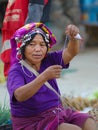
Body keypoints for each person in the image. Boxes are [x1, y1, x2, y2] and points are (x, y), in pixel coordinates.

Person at [7, 22, 96, 130]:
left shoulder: (48, 59)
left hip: (57, 113)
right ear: (23, 47)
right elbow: (19, 95)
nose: (38, 49)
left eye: (42, 45)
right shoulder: (16, 71)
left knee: (89, 122)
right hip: (32, 121)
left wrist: (74, 38)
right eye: (32, 44)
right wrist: (44, 77)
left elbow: (70, 53)